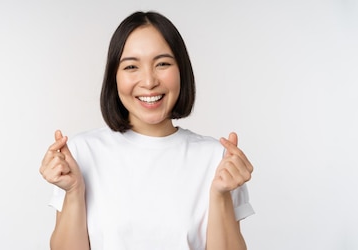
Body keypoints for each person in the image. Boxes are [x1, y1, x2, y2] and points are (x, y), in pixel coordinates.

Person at [39, 11, 255, 250]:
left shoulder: (217, 159)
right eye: (131, 66)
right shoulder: (81, 153)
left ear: (182, 70)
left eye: (162, 64)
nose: (149, 81)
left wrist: (221, 195)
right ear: (115, 78)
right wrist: (74, 191)